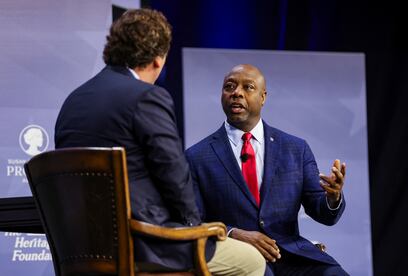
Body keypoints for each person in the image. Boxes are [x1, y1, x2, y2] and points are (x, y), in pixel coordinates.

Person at [54, 10, 265, 275]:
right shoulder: (146, 97)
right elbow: (175, 178)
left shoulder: (72, 102)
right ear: (158, 59)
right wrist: (197, 229)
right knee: (252, 260)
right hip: (144, 245)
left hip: (83, 248)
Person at [185, 64, 349, 275]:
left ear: (263, 97)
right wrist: (234, 233)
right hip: (237, 257)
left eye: (248, 87)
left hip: (291, 256)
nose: (237, 93)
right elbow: (193, 221)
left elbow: (323, 214)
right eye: (230, 86)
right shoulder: (197, 156)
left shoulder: (296, 149)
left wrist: (333, 197)